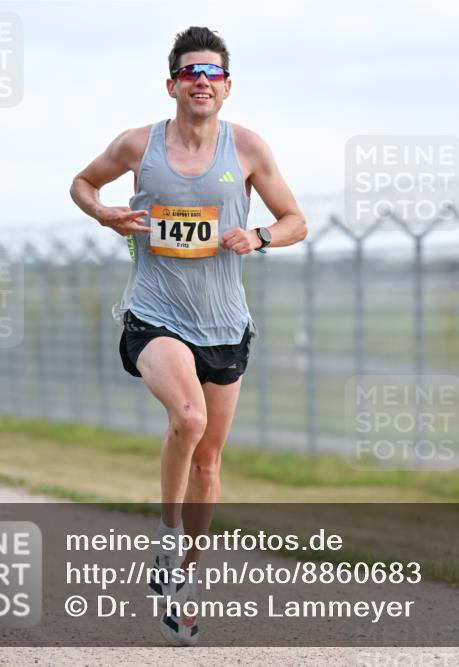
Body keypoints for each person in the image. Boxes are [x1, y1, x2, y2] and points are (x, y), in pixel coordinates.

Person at [69, 26, 306, 645]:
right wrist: (105, 212)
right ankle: (168, 534)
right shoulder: (138, 144)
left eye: (212, 73)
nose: (202, 81)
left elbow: (295, 221)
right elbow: (82, 183)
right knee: (189, 416)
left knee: (208, 464)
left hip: (225, 325)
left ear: (226, 87)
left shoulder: (247, 148)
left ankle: (184, 576)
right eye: (190, 72)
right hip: (155, 315)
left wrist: (259, 236)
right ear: (172, 84)